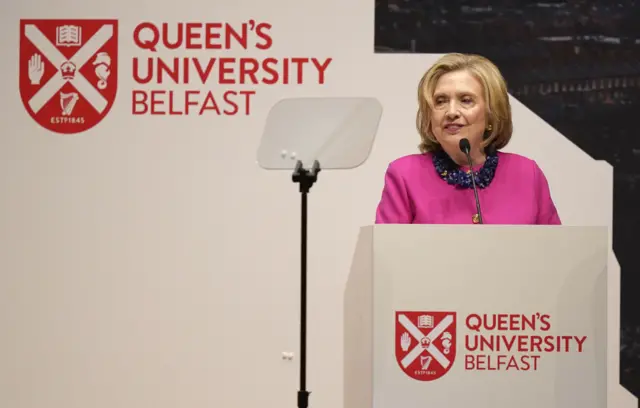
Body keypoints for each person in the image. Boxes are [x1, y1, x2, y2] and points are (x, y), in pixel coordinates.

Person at [375, 53, 561, 225]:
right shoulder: (404, 175)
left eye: (466, 100)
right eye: (440, 101)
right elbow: (387, 255)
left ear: (491, 113)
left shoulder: (527, 174)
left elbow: (556, 251)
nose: (452, 112)